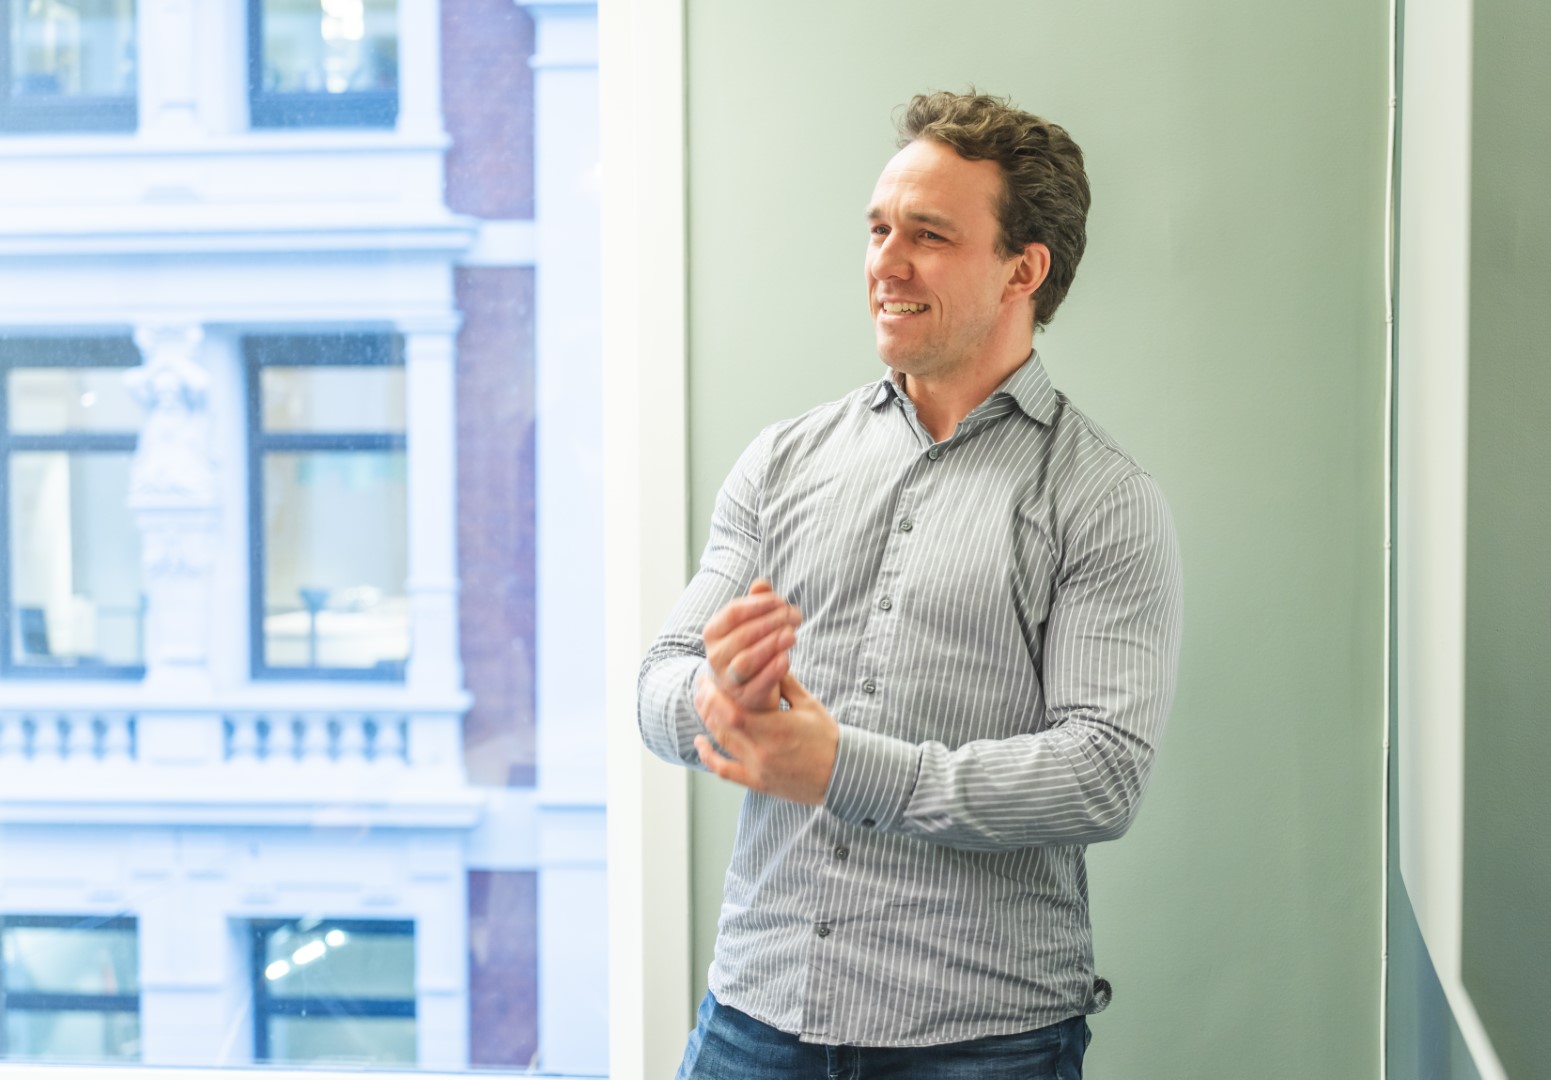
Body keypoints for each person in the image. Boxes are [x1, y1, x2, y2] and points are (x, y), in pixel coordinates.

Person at [638, 90, 1183, 1079]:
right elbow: (659, 680)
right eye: (880, 229)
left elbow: (1104, 770)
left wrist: (844, 766)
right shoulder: (783, 461)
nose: (886, 263)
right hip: (754, 1021)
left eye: (928, 235)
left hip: (984, 1044)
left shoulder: (1102, 498)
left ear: (1024, 269)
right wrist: (716, 703)